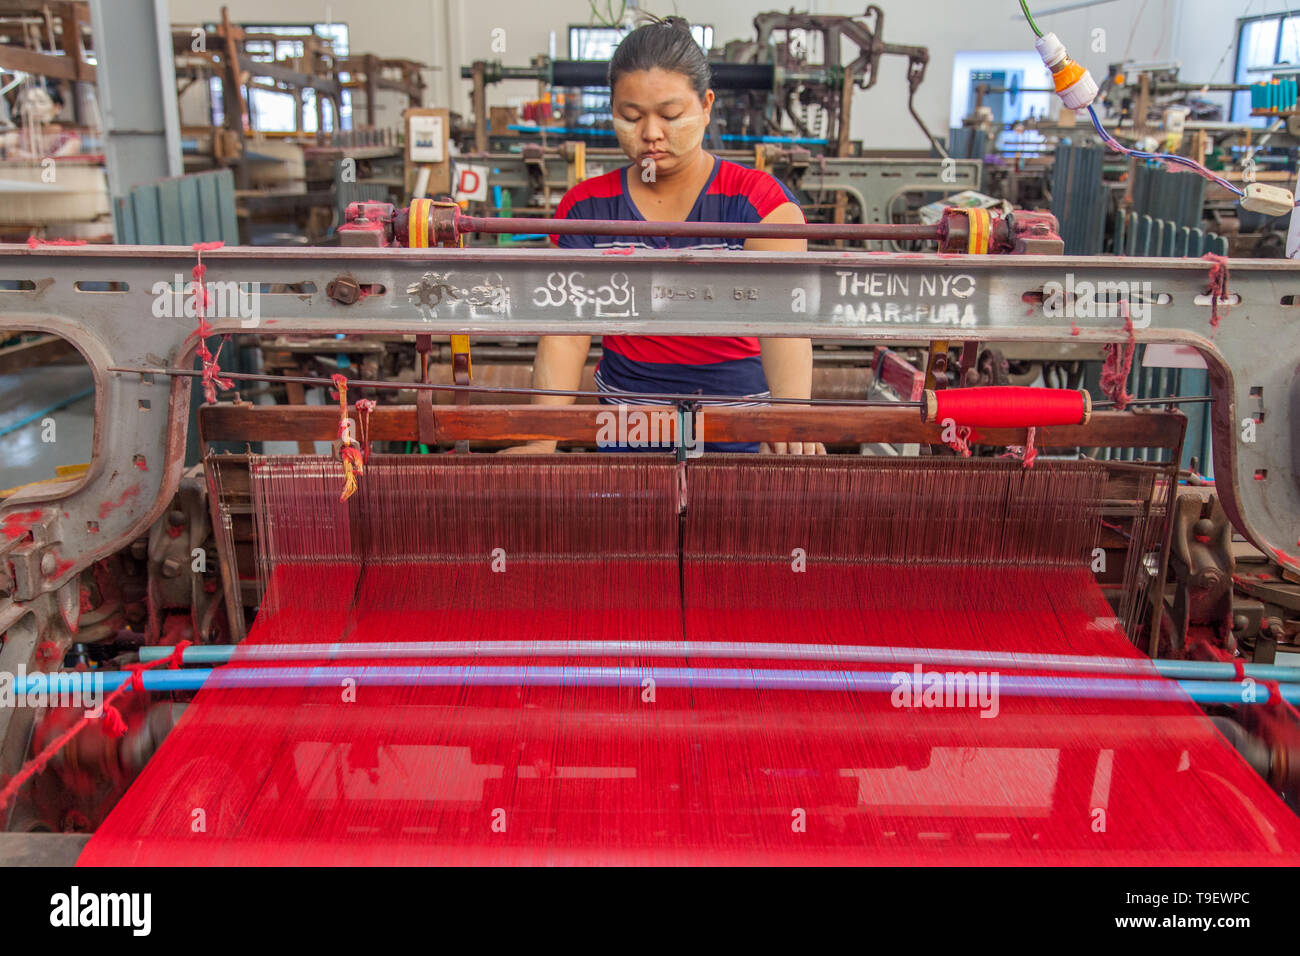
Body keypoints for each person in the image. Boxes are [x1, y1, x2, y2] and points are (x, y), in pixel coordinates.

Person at [502, 16, 824, 455]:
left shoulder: (761, 206)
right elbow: (566, 334)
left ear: (706, 105)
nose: (650, 134)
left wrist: (789, 422)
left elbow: (784, 328)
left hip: (738, 429)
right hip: (628, 429)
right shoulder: (586, 209)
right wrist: (541, 439)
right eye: (630, 116)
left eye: (671, 115)